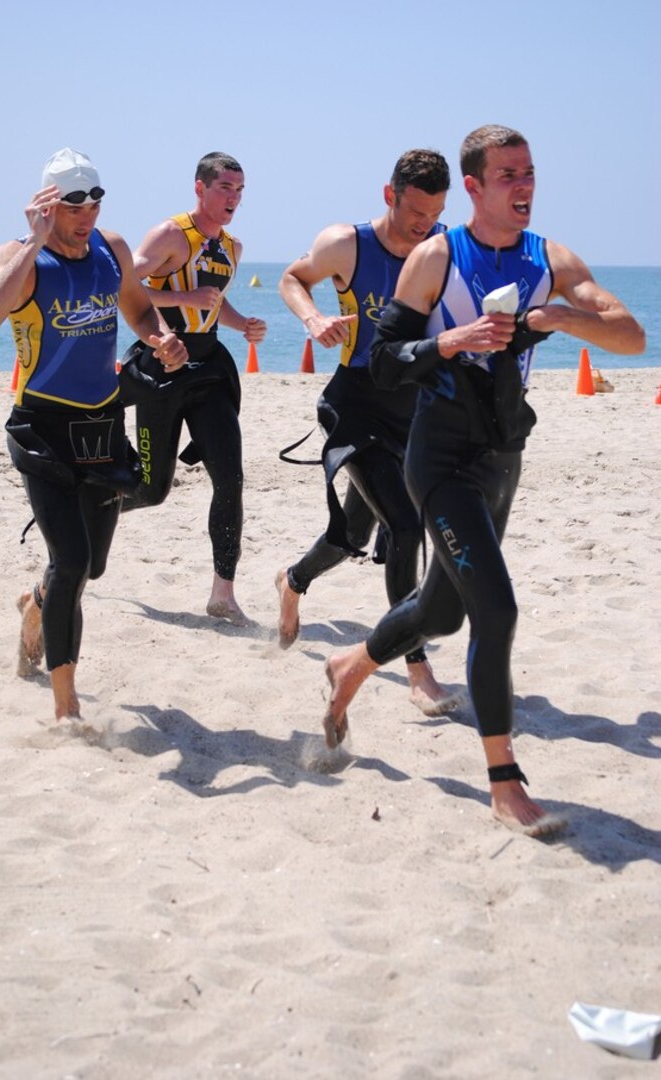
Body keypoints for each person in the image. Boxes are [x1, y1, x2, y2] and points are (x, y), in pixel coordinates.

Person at [321, 125, 645, 837]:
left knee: (442, 612)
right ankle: (504, 783)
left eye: (528, 172)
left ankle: (350, 664)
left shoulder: (549, 258)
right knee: (494, 611)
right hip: (437, 459)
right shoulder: (438, 257)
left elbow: (630, 335)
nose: (523, 186)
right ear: (472, 187)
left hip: (502, 457)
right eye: (507, 175)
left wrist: (567, 316)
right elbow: (380, 361)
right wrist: (450, 341)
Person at [0, 148, 187, 722]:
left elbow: (140, 311)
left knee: (88, 568)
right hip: (41, 425)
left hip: (101, 425)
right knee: (69, 559)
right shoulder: (18, 257)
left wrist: (160, 337)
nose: (86, 211)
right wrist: (35, 242)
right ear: (46, 203)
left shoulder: (110, 249)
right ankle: (66, 707)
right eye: (73, 201)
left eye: (95, 198)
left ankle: (36, 603)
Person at [276, 149, 457, 713]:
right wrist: (313, 318)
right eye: (414, 213)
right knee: (406, 526)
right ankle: (416, 663)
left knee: (351, 535)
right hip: (353, 403)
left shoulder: (444, 248)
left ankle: (293, 581)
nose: (423, 225)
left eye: (435, 213)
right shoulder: (346, 244)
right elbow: (291, 278)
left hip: (411, 410)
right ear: (390, 195)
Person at [119, 152, 266, 627]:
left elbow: (214, 302)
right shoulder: (170, 235)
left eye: (240, 190)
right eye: (225, 188)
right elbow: (126, 286)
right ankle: (91, 511)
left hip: (209, 369)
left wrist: (241, 322)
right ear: (200, 188)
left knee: (231, 477)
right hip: (161, 366)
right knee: (151, 490)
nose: (234, 199)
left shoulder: (232, 248)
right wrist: (182, 299)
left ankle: (223, 593)